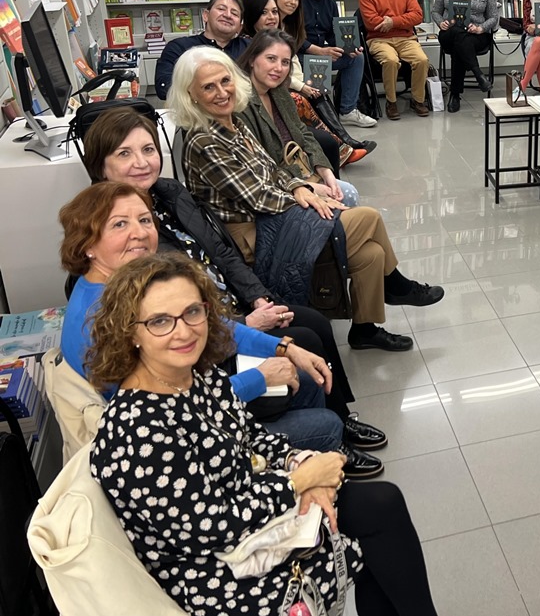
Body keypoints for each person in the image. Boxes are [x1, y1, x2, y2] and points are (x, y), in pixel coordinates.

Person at [88, 253, 439, 616]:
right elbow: (211, 527)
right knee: (375, 540)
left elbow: (252, 436)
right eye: (160, 321)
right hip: (219, 574)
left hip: (249, 514)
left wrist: (302, 463)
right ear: (130, 331)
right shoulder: (137, 430)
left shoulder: (193, 375)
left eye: (193, 312)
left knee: (382, 507)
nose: (184, 330)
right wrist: (298, 483)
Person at [79, 107, 385, 457]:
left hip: (222, 310)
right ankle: (321, 436)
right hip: (202, 340)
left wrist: (257, 297)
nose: (142, 162)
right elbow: (168, 335)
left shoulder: (167, 193)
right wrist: (245, 323)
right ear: (100, 166)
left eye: (148, 150)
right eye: (124, 154)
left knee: (313, 322)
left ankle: (340, 418)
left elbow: (221, 252)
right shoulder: (118, 242)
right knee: (303, 337)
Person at [57, 184, 380, 477]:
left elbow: (214, 327)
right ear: (87, 244)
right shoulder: (105, 319)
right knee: (325, 424)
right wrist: (261, 378)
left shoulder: (126, 286)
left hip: (197, 398)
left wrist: (284, 348)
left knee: (306, 375)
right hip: (185, 438)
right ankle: (320, 461)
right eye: (119, 224)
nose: (139, 233)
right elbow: (176, 411)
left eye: (144, 220)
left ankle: (318, 462)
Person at [171, 46, 445, 350]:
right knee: (369, 217)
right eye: (209, 87)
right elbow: (258, 196)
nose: (222, 92)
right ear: (191, 94)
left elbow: (273, 170)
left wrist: (301, 186)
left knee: (371, 256)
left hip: (271, 216)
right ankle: (394, 285)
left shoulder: (231, 123)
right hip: (252, 235)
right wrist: (305, 198)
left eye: (225, 81)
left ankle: (365, 330)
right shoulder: (204, 140)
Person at [240, 0, 373, 166]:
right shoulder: (248, 43)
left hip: (287, 82)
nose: (271, 17)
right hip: (272, 91)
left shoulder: (276, 35)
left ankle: (344, 142)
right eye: (264, 13)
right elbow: (278, 73)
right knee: (301, 98)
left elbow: (292, 63)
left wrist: (305, 84)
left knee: (318, 91)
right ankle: (342, 145)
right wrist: (301, 86)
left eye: (274, 12)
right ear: (252, 15)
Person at [235, 29, 361, 208]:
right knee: (348, 197)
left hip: (301, 170)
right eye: (271, 59)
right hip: (275, 187)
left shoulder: (279, 91)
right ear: (252, 60)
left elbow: (302, 131)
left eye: (285, 62)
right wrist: (308, 186)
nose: (279, 68)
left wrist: (325, 171)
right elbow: (260, 165)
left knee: (345, 194)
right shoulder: (241, 103)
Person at [299, 0, 377, 130]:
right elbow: (289, 36)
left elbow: (333, 35)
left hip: (321, 53)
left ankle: (348, 111)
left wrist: (348, 47)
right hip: (297, 55)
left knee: (356, 58)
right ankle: (318, 115)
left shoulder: (330, 2)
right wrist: (319, 51)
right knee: (316, 63)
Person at [359, 0, 431, 120]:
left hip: (406, 38)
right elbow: (371, 23)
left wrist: (392, 21)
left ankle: (418, 100)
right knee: (391, 60)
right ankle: (391, 102)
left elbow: (418, 16)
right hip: (379, 40)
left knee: (422, 60)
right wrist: (401, 20)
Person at [430, 0, 500, 113]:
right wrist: (441, 23)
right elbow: (435, 11)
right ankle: (478, 75)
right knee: (457, 32)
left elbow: (494, 17)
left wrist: (480, 28)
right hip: (449, 32)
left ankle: (455, 94)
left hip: (476, 36)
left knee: (460, 43)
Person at [154, 0, 250, 100]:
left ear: (240, 27)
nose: (227, 15)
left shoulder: (250, 48)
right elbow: (164, 87)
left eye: (234, 13)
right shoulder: (179, 47)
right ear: (205, 15)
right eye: (221, 9)